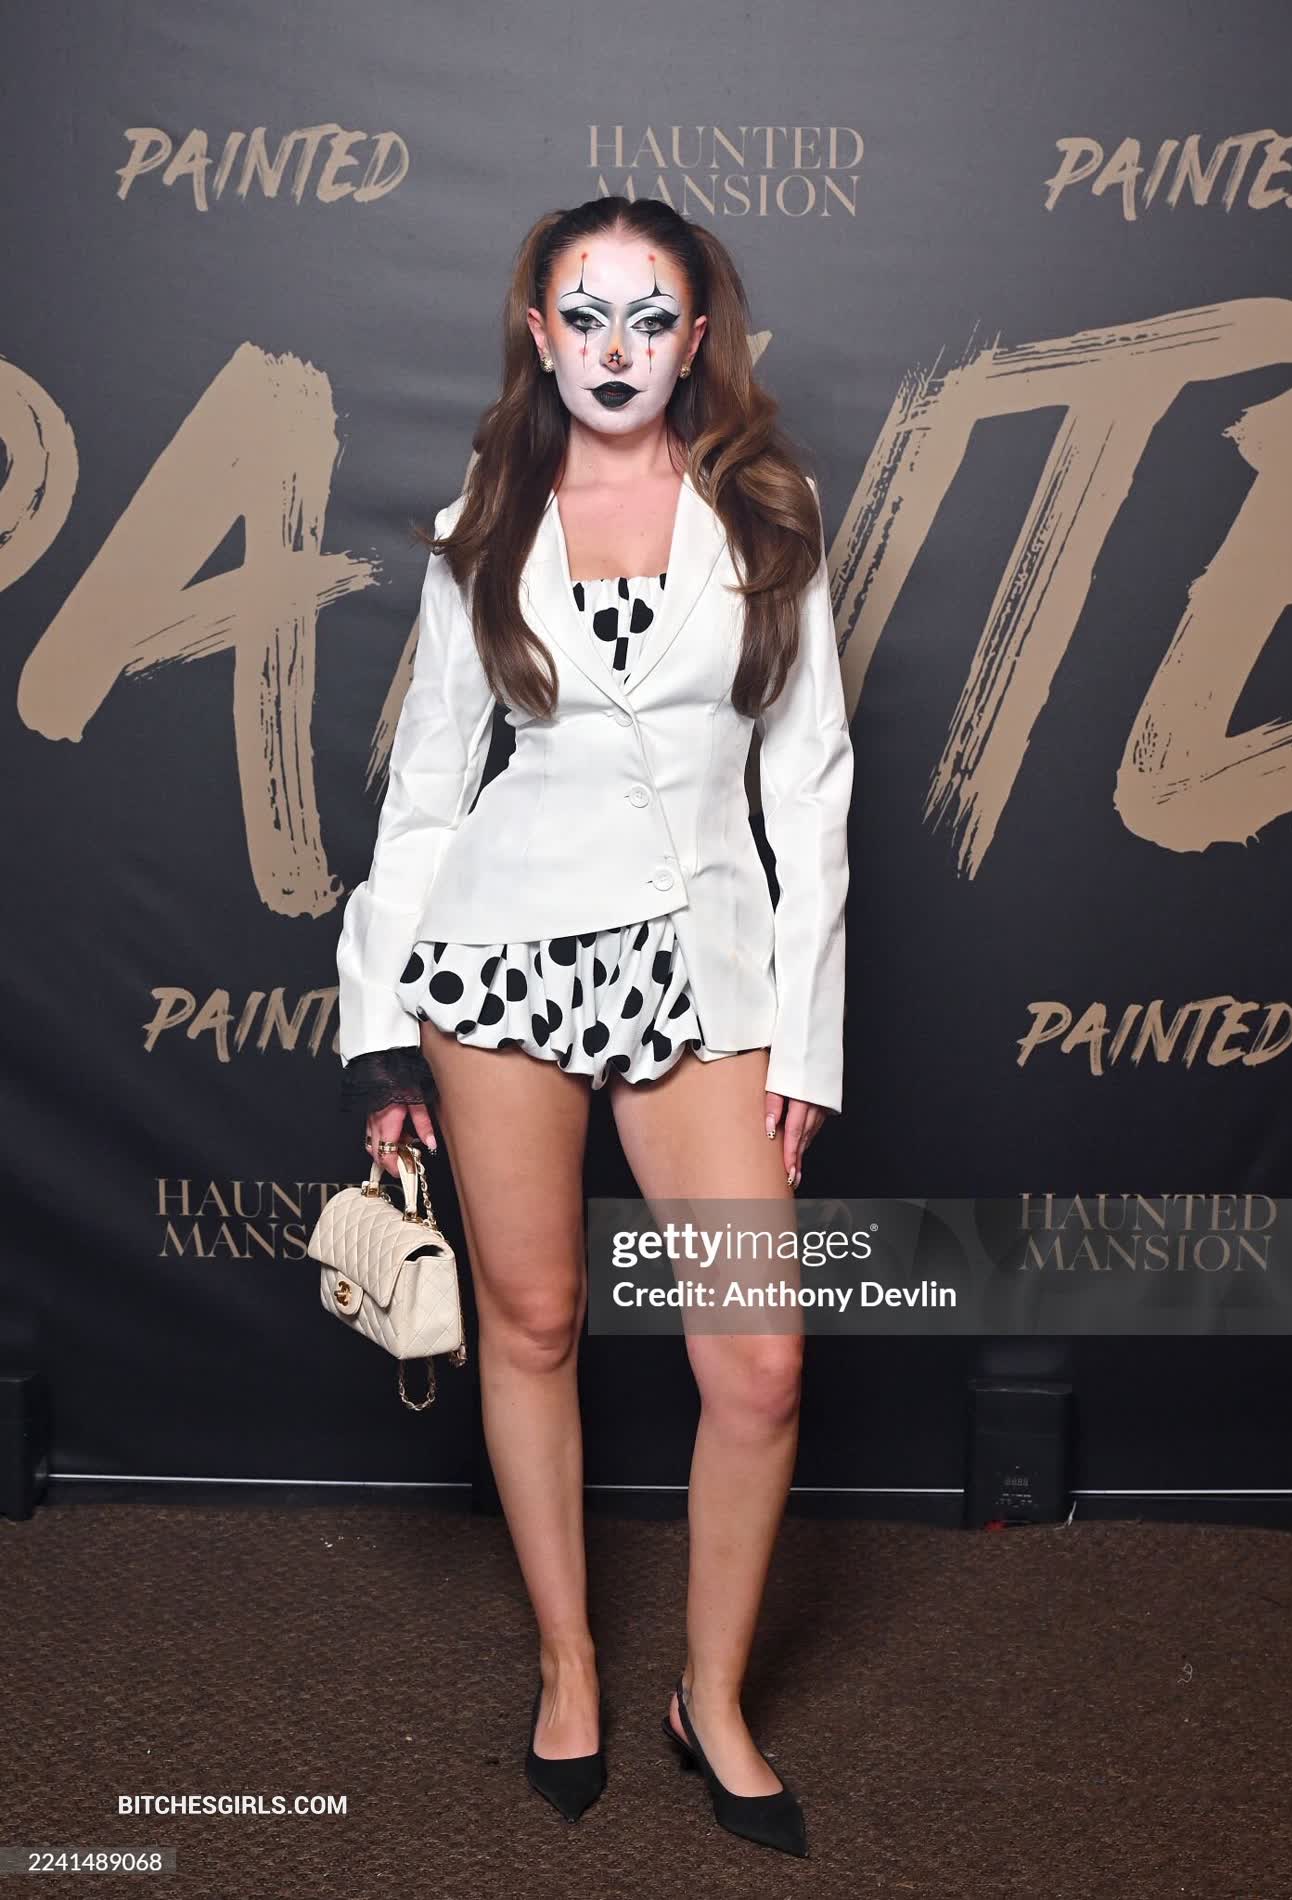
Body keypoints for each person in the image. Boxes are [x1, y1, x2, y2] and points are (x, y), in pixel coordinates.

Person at [334, 196, 853, 1859]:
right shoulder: (480, 518)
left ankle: (714, 1695)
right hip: (498, 962)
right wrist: (377, 1026)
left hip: (703, 971)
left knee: (757, 1361)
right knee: (535, 1321)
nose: (614, 348)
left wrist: (807, 1041)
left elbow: (809, 787)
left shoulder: (768, 513)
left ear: (695, 341)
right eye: (584, 313)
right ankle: (567, 1664)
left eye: (649, 318)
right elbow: (428, 789)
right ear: (539, 330)